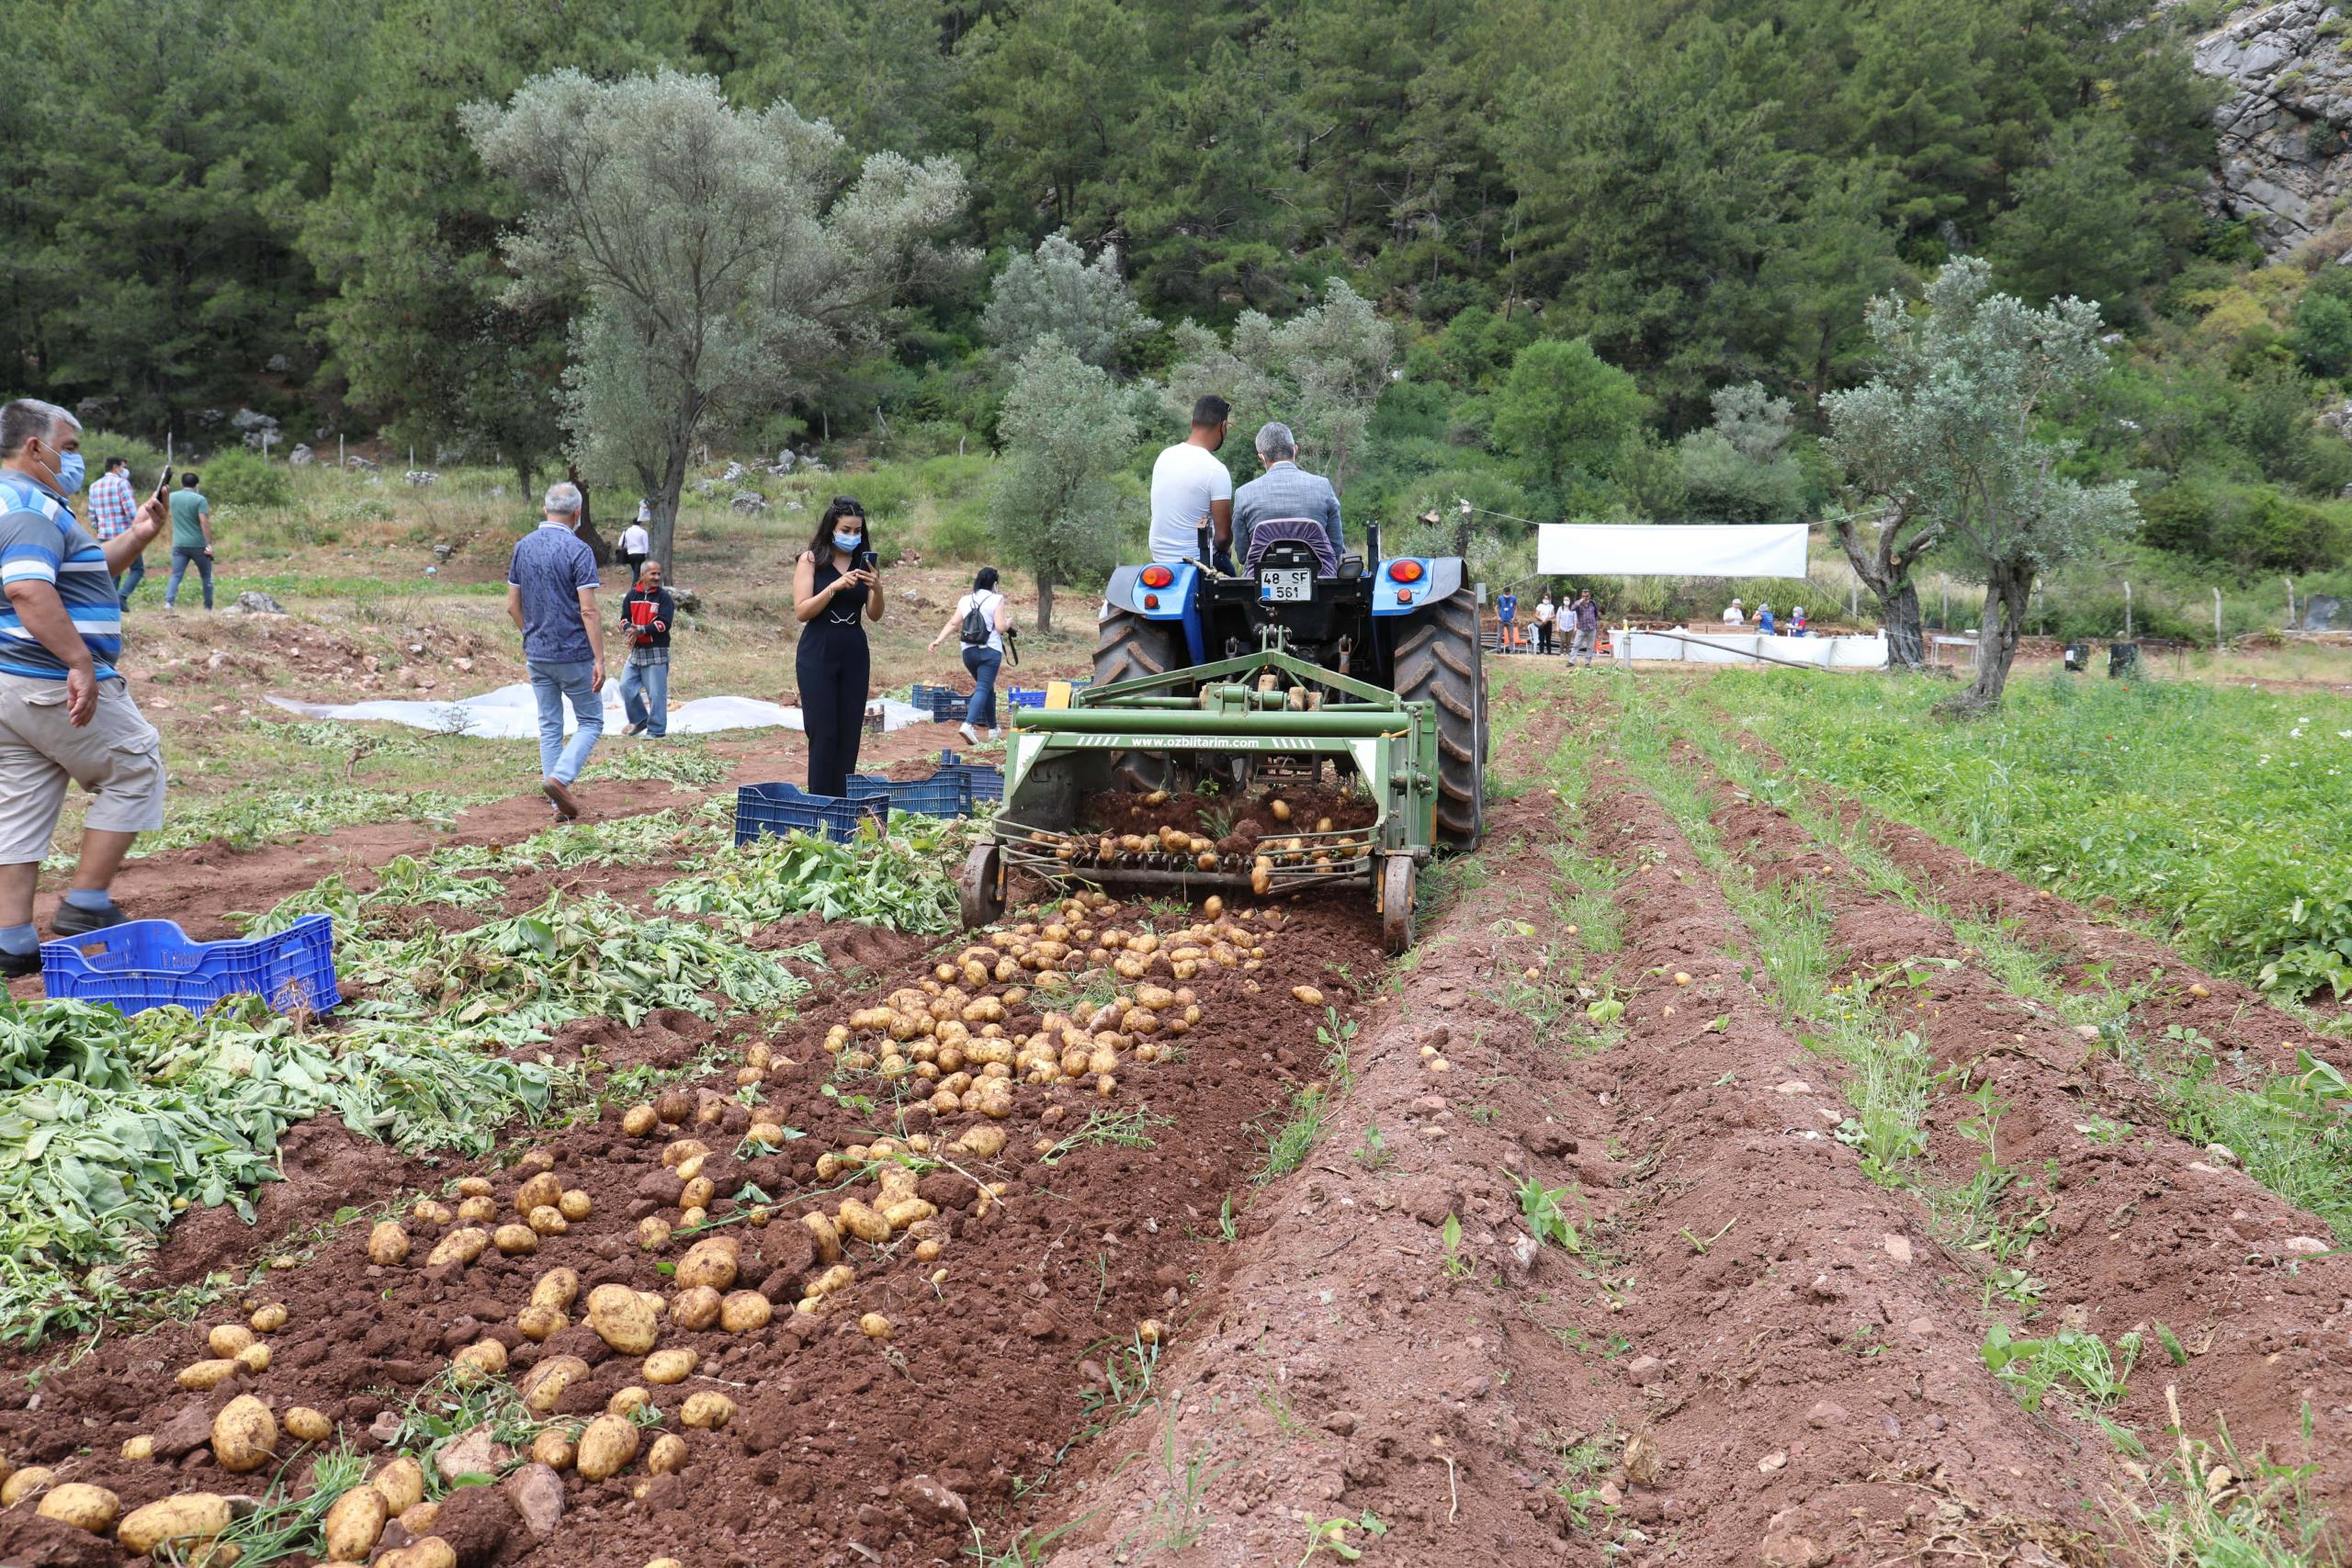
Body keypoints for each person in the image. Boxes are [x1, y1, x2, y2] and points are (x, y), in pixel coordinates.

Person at [0, 399, 171, 973]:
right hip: (46, 675)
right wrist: (77, 661)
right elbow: (28, 590)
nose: (75, 461)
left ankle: (13, 941)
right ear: (34, 448)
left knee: (21, 802)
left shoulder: (26, 505)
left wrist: (140, 534)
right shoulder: (29, 506)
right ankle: (86, 904)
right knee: (135, 765)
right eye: (68, 448)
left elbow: (81, 573)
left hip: (10, 684)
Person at [506, 481, 606, 819]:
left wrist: (531, 635)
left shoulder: (523, 547)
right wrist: (600, 659)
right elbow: (589, 610)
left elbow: (512, 605)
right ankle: (560, 780)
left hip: (538, 654)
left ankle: (556, 803)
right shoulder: (579, 551)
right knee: (591, 721)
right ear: (577, 513)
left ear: (544, 508)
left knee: (550, 725)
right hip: (574, 653)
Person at [792, 496, 884, 796]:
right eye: (846, 529)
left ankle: (842, 803)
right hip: (819, 648)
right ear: (832, 526)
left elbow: (874, 614)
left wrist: (877, 587)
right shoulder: (811, 560)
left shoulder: (864, 563)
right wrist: (834, 587)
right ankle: (820, 802)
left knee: (848, 732)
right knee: (823, 731)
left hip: (854, 648)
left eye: (857, 530)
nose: (852, 536)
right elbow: (802, 611)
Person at [1231, 422, 1342, 569]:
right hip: (1319, 583)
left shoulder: (1243, 493)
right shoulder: (1323, 486)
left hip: (1260, 586)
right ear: (1295, 450)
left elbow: (1243, 555)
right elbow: (1335, 547)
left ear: (1262, 457)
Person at [1148, 395, 1234, 570]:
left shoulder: (1164, 457)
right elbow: (1223, 538)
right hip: (1198, 562)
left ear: (1192, 422)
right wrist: (1225, 550)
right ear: (1223, 427)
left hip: (1160, 561)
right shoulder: (1216, 470)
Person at [931, 566, 1009, 745]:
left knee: (987, 688)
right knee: (983, 687)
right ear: (994, 583)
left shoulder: (966, 600)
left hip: (969, 653)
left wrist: (938, 640)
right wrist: (1009, 622)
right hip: (990, 652)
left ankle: (993, 729)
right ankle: (968, 725)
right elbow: (1000, 627)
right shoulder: (997, 598)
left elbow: (953, 623)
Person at [618, 558, 675, 739]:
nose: (657, 577)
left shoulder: (664, 598)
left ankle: (656, 730)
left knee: (656, 693)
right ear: (642, 575)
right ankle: (640, 719)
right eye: (653, 574)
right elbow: (624, 619)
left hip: (657, 650)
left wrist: (639, 630)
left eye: (659, 574)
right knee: (626, 686)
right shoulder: (631, 596)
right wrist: (629, 630)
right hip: (637, 651)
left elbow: (663, 624)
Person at [87, 457, 145, 604]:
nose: (124, 470)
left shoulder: (94, 486)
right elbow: (132, 512)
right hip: (124, 534)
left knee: (113, 571)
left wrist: (100, 529)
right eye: (122, 466)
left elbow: (92, 515)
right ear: (115, 467)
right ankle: (122, 596)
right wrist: (140, 530)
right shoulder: (122, 484)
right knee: (137, 569)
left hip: (104, 536)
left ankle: (110, 604)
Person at [164, 472, 214, 611]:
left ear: (182, 483)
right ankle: (208, 607)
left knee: (176, 574)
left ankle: (169, 602)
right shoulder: (200, 499)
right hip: (198, 544)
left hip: (179, 543)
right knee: (206, 575)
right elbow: (203, 522)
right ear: (196, 485)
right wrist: (208, 544)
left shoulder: (172, 497)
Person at [1570, 588, 1601, 668]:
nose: (1585, 597)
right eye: (1583, 596)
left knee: (1590, 647)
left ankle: (1587, 663)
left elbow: (1596, 614)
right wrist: (1580, 601)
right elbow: (1572, 608)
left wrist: (1595, 622)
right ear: (1581, 596)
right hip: (1581, 628)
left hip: (1592, 628)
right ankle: (1571, 661)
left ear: (1589, 596)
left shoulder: (1593, 603)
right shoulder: (1578, 603)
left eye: (1587, 596)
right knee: (1576, 645)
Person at [621, 502, 651, 583]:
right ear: (640, 523)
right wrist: (646, 553)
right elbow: (646, 544)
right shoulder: (643, 532)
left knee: (635, 569)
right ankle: (635, 584)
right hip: (640, 553)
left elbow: (621, 543)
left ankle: (636, 582)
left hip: (630, 553)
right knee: (638, 569)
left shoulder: (627, 531)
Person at [1533, 590, 1557, 655]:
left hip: (1548, 623)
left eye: (1547, 598)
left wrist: (1547, 619)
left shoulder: (1551, 606)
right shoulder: (1539, 606)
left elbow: (1553, 615)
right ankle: (1541, 652)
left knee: (1548, 638)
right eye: (1545, 598)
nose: (1546, 599)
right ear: (1543, 598)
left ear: (1549, 599)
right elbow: (1536, 614)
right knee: (1541, 638)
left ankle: (1549, 652)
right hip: (1541, 623)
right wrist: (1542, 619)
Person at [1496, 587, 1519, 651]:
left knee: (1511, 637)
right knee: (1499, 636)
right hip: (1501, 620)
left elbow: (1516, 608)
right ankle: (1498, 649)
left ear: (1510, 592)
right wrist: (1498, 617)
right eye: (1506, 593)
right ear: (1504, 592)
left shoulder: (1513, 598)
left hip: (1510, 620)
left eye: (1508, 593)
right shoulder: (1500, 598)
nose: (1507, 594)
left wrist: (1514, 618)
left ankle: (1511, 650)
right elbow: (1496, 607)